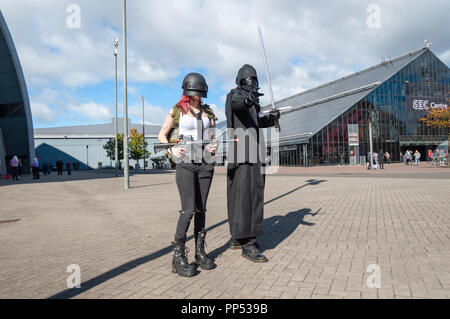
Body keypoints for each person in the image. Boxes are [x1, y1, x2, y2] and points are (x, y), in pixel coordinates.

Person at [158, 72, 217, 277]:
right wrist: (171, 150)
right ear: (188, 92)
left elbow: (211, 137)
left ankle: (200, 252)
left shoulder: (208, 111)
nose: (199, 97)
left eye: (201, 94)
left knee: (201, 209)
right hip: (185, 163)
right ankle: (178, 256)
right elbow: (162, 135)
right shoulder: (176, 111)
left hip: (206, 164)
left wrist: (213, 146)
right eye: (195, 93)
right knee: (188, 209)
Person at [225, 64, 280, 263]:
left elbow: (254, 123)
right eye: (249, 80)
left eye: (254, 81)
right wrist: (248, 99)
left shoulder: (252, 102)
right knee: (249, 198)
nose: (252, 83)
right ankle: (248, 242)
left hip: (252, 155)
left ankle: (237, 237)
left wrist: (270, 119)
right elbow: (238, 105)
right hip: (243, 155)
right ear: (242, 80)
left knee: (242, 197)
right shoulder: (236, 95)